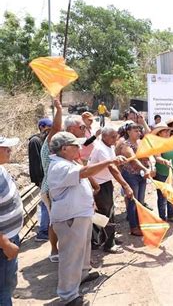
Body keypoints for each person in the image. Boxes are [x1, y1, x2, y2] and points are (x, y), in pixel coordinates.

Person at [48, 132, 126, 305]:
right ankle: (68, 296)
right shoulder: (60, 166)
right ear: (64, 148)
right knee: (71, 256)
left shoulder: (68, 162)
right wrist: (110, 161)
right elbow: (84, 173)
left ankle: (82, 274)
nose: (79, 148)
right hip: (70, 218)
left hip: (80, 215)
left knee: (83, 250)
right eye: (76, 145)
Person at [89, 127, 134, 254]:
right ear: (104, 137)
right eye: (113, 137)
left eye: (116, 136)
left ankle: (108, 238)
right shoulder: (100, 148)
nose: (116, 139)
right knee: (106, 214)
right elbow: (112, 168)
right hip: (100, 185)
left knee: (109, 212)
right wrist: (126, 186)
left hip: (105, 183)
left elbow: (114, 164)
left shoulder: (108, 146)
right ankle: (108, 244)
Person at [118, 122, 152, 236]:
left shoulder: (139, 142)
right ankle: (133, 227)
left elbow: (146, 154)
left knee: (140, 201)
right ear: (128, 132)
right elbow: (134, 159)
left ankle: (139, 223)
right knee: (133, 201)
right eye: (135, 131)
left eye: (139, 131)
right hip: (131, 176)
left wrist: (150, 166)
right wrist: (145, 168)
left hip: (141, 175)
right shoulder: (126, 145)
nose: (138, 133)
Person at [39, 99, 62, 263]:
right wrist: (59, 110)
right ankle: (54, 250)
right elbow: (56, 128)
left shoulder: (53, 148)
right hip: (50, 189)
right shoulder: (49, 145)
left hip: (54, 188)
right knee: (54, 221)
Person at [0, 135, 22, 306]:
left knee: (8, 285)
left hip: (11, 236)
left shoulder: (2, 168)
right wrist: (5, 243)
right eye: (5, 148)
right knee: (3, 291)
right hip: (3, 244)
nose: (10, 150)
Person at [153, 123, 173, 223]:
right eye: (165, 131)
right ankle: (162, 219)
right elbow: (157, 157)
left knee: (171, 195)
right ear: (159, 133)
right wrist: (164, 161)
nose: (167, 132)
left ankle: (170, 216)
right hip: (162, 174)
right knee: (162, 198)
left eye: (168, 130)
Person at [28, 118, 52, 242]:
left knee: (46, 203)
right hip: (42, 178)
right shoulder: (35, 141)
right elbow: (36, 163)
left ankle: (46, 229)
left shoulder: (43, 140)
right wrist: (41, 180)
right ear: (41, 127)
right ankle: (43, 232)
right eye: (48, 129)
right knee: (44, 204)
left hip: (46, 178)